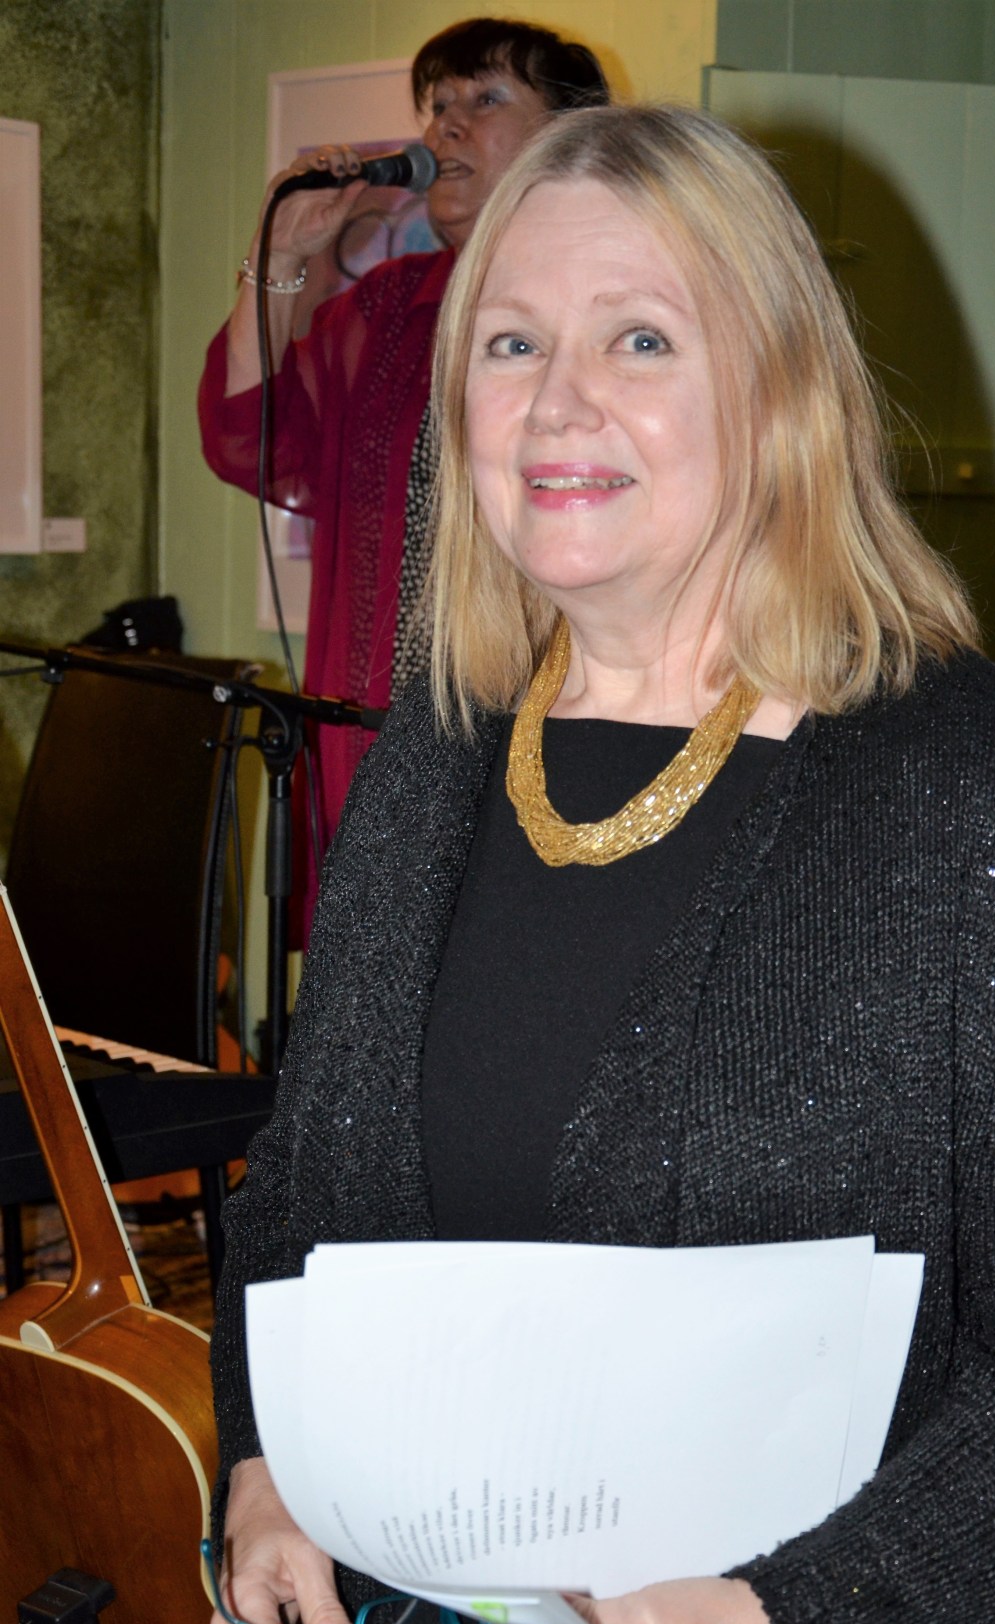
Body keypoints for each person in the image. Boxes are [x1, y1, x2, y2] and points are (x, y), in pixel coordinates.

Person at [207, 105, 995, 1624]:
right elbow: (301, 1200)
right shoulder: (438, 757)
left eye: (642, 340)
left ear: (781, 391)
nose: (557, 402)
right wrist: (266, 1472)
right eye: (512, 343)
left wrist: (781, 1618)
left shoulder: (972, 786)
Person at [198, 18, 608, 941]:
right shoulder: (388, 310)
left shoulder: (611, 306)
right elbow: (247, 439)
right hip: (379, 737)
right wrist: (281, 258)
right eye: (438, 105)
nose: (446, 126)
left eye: (486, 99)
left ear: (568, 135)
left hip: (544, 739)